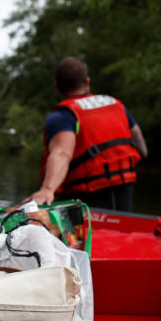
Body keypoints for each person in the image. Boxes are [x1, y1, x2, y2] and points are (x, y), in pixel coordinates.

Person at [24, 56, 148, 212]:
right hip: (124, 183)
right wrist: (140, 155)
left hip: (88, 191)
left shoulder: (62, 115)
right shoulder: (114, 104)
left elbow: (62, 153)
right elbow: (138, 138)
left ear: (57, 87)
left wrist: (47, 189)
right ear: (87, 82)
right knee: (120, 225)